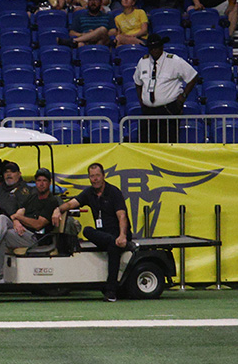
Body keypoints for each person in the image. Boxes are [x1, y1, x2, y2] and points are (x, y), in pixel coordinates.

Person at [53, 162, 134, 301]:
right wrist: (58, 209)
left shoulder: (114, 192)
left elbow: (122, 216)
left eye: (97, 176)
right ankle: (117, 244)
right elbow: (72, 203)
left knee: (113, 248)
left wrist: (122, 236)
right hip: (103, 236)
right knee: (87, 231)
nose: (95, 179)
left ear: (103, 176)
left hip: (117, 235)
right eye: (92, 176)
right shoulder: (89, 192)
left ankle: (111, 291)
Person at [133, 32, 199, 143]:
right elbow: (137, 82)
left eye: (156, 47)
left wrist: (183, 97)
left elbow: (193, 76)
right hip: (148, 111)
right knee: (146, 144)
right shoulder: (143, 61)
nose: (154, 50)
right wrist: (142, 101)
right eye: (151, 48)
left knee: (168, 143)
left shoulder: (174, 61)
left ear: (162, 47)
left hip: (168, 109)